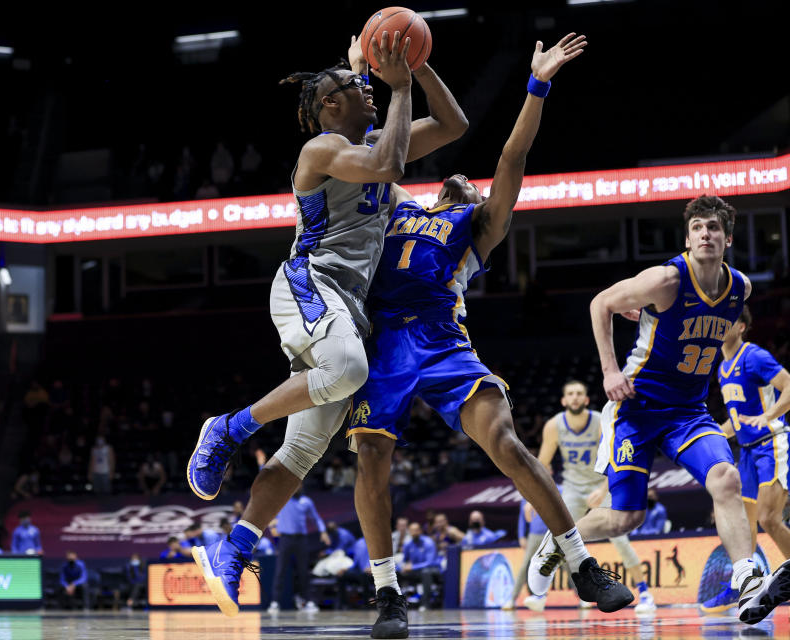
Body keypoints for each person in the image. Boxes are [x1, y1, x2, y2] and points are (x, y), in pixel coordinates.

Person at [349, 33, 628, 638]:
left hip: (442, 340)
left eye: (472, 185)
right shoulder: (394, 202)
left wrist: (537, 86)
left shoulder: (474, 226)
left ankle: (580, 564)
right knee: (371, 455)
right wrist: (366, 78)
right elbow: (374, 149)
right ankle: (388, 593)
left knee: (505, 442)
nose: (465, 180)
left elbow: (510, 160)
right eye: (461, 179)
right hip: (384, 344)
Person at [188, 31, 468, 619]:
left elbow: (454, 125)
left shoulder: (375, 150)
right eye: (353, 88)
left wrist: (419, 67)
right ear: (330, 109)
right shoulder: (321, 150)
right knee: (346, 368)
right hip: (308, 284)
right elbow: (386, 159)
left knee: (301, 452)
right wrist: (393, 87)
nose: (366, 90)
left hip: (348, 309)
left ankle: (231, 550)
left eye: (369, 86)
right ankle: (230, 427)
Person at [530, 195, 790, 625]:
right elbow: (600, 304)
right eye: (698, 228)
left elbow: (686, 330)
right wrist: (611, 370)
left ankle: (747, 579)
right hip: (637, 406)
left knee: (726, 477)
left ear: (727, 238)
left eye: (713, 228)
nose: (706, 234)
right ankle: (556, 543)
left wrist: (651, 319)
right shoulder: (667, 279)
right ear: (688, 237)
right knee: (626, 517)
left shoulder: (740, 288)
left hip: (688, 410)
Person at [537, 379, 656, 612]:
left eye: (579, 393)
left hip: (599, 484)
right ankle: (546, 592)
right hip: (572, 488)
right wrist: (533, 500)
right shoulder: (553, 426)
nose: (574, 397)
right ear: (563, 400)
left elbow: (613, 458)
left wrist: (602, 490)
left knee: (620, 540)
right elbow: (542, 464)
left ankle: (645, 592)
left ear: (586, 398)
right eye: (570, 393)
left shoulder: (599, 420)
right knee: (559, 540)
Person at [715, 307, 790, 575]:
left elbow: (788, 384)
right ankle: (748, 582)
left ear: (741, 327)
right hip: (746, 452)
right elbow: (736, 422)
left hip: (772, 443)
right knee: (745, 528)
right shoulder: (722, 368)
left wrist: (768, 415)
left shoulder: (754, 356)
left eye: (727, 320)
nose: (720, 324)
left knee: (769, 518)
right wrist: (711, 434)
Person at [267, 489, 331, 614]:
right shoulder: (282, 498)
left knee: (303, 571)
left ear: (301, 485)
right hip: (285, 539)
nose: (296, 486)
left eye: (299, 483)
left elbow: (316, 518)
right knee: (280, 571)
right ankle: (275, 602)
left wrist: (323, 531)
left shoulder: (306, 501)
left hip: (301, 539)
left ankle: (308, 601)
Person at [504, 498, 549, 611]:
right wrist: (521, 536)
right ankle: (512, 599)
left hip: (552, 533)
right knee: (524, 566)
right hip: (533, 535)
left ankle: (581, 598)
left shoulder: (557, 489)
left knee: (566, 563)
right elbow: (521, 519)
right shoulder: (526, 495)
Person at [399, 522, 442, 612]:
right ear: (409, 532)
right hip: (417, 571)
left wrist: (412, 567)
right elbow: (404, 560)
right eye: (412, 531)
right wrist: (403, 567)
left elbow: (430, 562)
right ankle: (398, 604)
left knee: (425, 572)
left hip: (433, 570)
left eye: (416, 530)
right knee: (397, 573)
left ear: (420, 531)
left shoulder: (428, 542)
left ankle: (426, 604)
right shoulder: (407, 544)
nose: (414, 533)